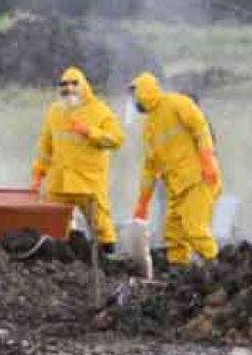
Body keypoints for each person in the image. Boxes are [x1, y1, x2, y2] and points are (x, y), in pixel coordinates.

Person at [130, 71, 220, 267]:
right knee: (173, 235)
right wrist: (142, 203)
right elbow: (150, 168)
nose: (134, 101)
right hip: (176, 187)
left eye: (135, 95)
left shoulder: (177, 103)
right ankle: (179, 271)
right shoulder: (149, 128)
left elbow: (200, 128)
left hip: (198, 178)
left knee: (195, 229)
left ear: (145, 92)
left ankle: (217, 267)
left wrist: (207, 159)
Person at [31, 67, 124, 254]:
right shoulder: (54, 112)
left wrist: (90, 132)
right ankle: (61, 263)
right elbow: (45, 147)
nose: (69, 88)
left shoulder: (100, 111)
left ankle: (108, 260)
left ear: (84, 86)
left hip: (88, 181)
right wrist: (38, 174)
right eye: (64, 85)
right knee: (53, 224)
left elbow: (116, 140)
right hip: (59, 181)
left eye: (74, 84)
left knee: (101, 226)